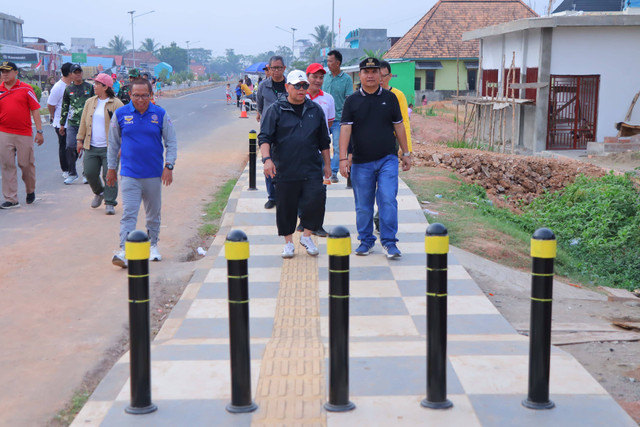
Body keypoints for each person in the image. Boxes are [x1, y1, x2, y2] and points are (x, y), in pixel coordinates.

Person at [338, 58, 411, 259]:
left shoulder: (390, 98)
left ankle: (389, 242)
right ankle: (366, 240)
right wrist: (343, 159)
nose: (370, 75)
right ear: (359, 75)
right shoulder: (352, 101)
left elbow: (399, 126)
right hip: (361, 162)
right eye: (365, 71)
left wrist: (406, 153)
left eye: (374, 71)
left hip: (387, 159)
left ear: (381, 75)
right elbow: (345, 130)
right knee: (363, 204)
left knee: (388, 199)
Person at [258, 70, 331, 258]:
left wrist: (327, 165)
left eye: (304, 85)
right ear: (287, 87)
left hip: (311, 167)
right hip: (285, 168)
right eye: (297, 85)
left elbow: (324, 141)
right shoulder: (276, 110)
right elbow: (264, 137)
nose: (301, 89)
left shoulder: (315, 110)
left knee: (315, 201)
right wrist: (267, 160)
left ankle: (307, 236)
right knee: (286, 206)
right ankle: (288, 242)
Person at [107, 78, 177, 267]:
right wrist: (111, 169)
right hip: (129, 174)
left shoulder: (160, 114)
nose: (140, 99)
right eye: (136, 95)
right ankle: (124, 250)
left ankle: (153, 245)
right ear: (129, 95)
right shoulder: (121, 114)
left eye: (144, 95)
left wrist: (169, 166)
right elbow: (113, 144)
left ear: (151, 95)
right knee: (129, 214)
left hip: (153, 174)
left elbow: (171, 142)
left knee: (153, 214)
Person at [76, 73, 124, 215]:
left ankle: (110, 202)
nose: (94, 86)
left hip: (110, 148)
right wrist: (79, 140)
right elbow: (83, 123)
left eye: (97, 84)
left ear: (105, 87)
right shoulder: (90, 102)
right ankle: (99, 192)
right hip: (91, 145)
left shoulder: (116, 103)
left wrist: (122, 145)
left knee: (109, 175)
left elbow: (124, 126)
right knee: (89, 172)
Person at [0, 61, 44, 209]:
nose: (4, 74)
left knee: (26, 164)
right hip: (4, 132)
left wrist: (39, 131)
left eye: (7, 71)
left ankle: (30, 191)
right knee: (7, 166)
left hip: (23, 133)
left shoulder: (26, 89)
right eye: (2, 71)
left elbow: (35, 110)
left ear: (15, 72)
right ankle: (11, 199)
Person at [255, 55, 287, 210]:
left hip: (287, 130)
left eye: (279, 68)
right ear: (269, 69)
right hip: (269, 131)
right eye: (273, 68)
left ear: (284, 68)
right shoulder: (263, 86)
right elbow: (260, 107)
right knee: (268, 163)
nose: (276, 71)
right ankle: (272, 196)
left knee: (286, 164)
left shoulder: (290, 85)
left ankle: (285, 195)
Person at [59, 64, 94, 185]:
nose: (78, 74)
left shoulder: (89, 87)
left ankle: (86, 174)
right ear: (71, 75)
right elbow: (64, 107)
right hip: (72, 123)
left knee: (87, 148)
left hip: (87, 123)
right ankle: (72, 173)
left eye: (80, 72)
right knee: (69, 146)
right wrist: (62, 124)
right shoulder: (68, 89)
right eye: (75, 72)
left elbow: (95, 104)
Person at [322, 50, 354, 183]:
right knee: (321, 146)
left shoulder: (346, 79)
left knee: (338, 147)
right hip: (323, 119)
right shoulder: (325, 77)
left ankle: (333, 172)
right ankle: (323, 170)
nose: (328, 63)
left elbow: (348, 100)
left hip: (338, 119)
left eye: (330, 61)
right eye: (327, 61)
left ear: (338, 63)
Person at [47, 62, 73, 180]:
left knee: (72, 146)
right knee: (64, 146)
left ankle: (72, 167)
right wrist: (53, 117)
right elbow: (50, 104)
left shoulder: (73, 85)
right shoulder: (58, 87)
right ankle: (66, 170)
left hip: (73, 121)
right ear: (69, 73)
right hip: (60, 122)